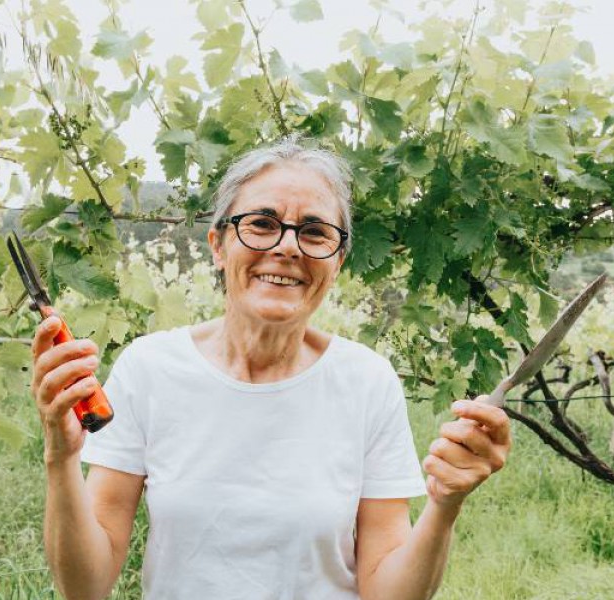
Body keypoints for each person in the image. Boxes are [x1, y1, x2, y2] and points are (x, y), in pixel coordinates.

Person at [30, 137, 512, 600]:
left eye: (314, 231)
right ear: (219, 245)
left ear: (338, 260)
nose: (287, 247)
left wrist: (445, 505)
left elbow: (389, 592)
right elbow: (85, 587)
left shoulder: (366, 382)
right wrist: (61, 457)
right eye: (261, 223)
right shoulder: (150, 369)